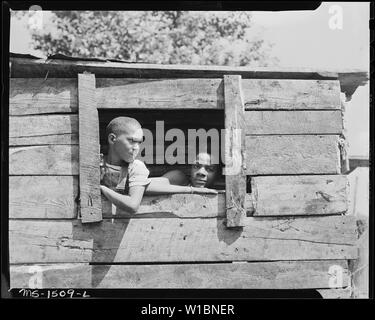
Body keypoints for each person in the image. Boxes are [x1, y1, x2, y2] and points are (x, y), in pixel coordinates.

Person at [99, 116, 151, 214]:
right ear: (112, 139)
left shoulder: (136, 166)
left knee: (177, 177)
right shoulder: (96, 163)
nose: (136, 148)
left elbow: (133, 205)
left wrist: (102, 188)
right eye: (131, 141)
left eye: (139, 143)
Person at [145, 152, 219, 195]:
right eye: (196, 166)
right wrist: (191, 190)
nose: (201, 172)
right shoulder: (180, 179)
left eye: (210, 169)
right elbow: (143, 185)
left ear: (218, 175)